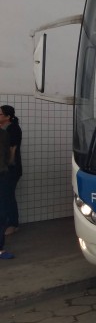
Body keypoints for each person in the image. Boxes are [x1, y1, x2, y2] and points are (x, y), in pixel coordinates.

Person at [0, 105, 22, 235]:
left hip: (11, 169)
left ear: (8, 117)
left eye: (0, 114)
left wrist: (9, 164)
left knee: (8, 196)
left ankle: (13, 224)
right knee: (4, 196)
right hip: (4, 169)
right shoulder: (3, 129)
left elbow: (13, 149)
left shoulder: (13, 129)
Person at [0, 128, 14, 259]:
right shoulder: (3, 133)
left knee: (2, 213)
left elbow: (8, 154)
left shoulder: (4, 133)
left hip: (2, 174)